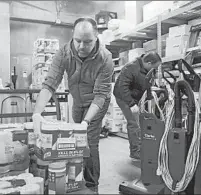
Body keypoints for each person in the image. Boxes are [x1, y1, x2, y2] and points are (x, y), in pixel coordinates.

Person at [32, 17, 113, 193]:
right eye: (78, 41)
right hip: (77, 101)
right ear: (72, 36)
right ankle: (76, 179)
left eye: (87, 42)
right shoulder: (64, 53)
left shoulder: (105, 58)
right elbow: (50, 84)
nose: (81, 46)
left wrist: (86, 122)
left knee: (89, 141)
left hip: (97, 103)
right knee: (76, 140)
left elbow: (100, 95)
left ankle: (92, 186)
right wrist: (36, 114)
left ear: (97, 37)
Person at [113, 52, 162, 160]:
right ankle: (135, 152)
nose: (156, 69)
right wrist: (131, 104)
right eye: (155, 67)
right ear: (149, 63)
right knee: (134, 123)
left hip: (136, 97)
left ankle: (142, 146)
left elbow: (148, 82)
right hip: (123, 97)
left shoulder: (148, 69)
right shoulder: (131, 68)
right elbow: (122, 87)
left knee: (142, 121)